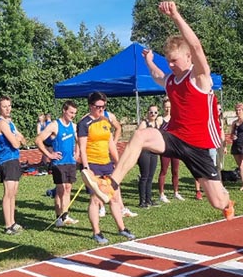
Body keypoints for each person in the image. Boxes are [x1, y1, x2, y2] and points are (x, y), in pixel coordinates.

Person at [81, 1, 234, 220]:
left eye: (174, 60)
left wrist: (176, 16)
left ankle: (228, 202)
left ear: (188, 57)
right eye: (168, 61)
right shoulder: (171, 80)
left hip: (200, 145)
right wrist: (149, 61)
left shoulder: (200, 77)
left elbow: (197, 46)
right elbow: (157, 76)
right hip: (175, 137)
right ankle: (110, 185)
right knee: (141, 135)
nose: (170, 65)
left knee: (217, 202)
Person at [77, 92, 135, 245]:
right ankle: (96, 232)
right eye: (98, 107)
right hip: (93, 164)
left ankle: (122, 228)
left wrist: (118, 162)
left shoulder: (105, 121)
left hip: (106, 163)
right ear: (91, 106)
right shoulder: (84, 124)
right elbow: (82, 148)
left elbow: (110, 144)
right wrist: (86, 168)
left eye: (104, 106)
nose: (101, 109)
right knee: (96, 199)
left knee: (114, 196)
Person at [35, 101, 80, 227]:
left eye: (75, 113)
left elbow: (79, 141)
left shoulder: (74, 126)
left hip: (70, 162)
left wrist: (77, 153)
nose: (73, 115)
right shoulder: (55, 125)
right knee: (61, 190)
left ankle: (65, 215)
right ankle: (59, 217)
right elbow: (38, 140)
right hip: (58, 163)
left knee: (68, 188)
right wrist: (49, 155)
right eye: (71, 112)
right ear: (64, 111)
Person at [0, 96, 28, 234]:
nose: (8, 109)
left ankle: (12, 222)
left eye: (9, 106)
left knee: (14, 193)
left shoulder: (11, 123)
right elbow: (15, 143)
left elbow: (24, 141)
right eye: (4, 106)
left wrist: (19, 139)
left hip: (15, 159)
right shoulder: (1, 124)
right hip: (6, 160)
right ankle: (7, 225)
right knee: (8, 193)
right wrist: (18, 139)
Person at [157, 97, 183, 201]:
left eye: (170, 107)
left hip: (175, 148)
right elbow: (156, 132)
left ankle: (176, 192)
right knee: (164, 170)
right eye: (166, 107)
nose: (168, 109)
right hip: (165, 149)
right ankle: (161, 194)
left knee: (175, 171)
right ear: (163, 108)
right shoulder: (160, 119)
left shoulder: (175, 118)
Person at [136, 104, 162, 207]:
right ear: (147, 113)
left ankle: (148, 200)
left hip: (153, 152)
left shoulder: (157, 123)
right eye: (151, 112)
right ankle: (142, 201)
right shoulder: (144, 124)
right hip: (144, 152)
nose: (153, 114)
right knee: (144, 176)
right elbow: (137, 137)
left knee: (150, 177)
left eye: (155, 112)